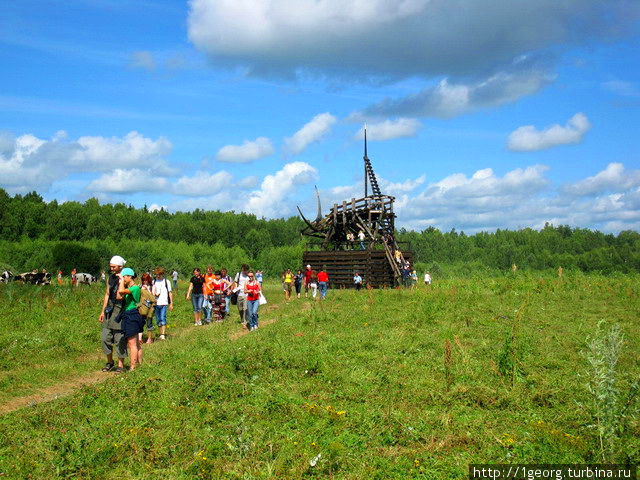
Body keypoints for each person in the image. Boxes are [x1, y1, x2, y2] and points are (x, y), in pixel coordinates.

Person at [98, 255, 127, 373]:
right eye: (110, 266)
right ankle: (110, 362)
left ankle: (120, 365)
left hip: (120, 311)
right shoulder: (110, 278)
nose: (111, 268)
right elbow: (107, 294)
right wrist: (102, 311)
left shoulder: (126, 278)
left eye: (113, 266)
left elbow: (121, 295)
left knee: (119, 339)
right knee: (105, 338)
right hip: (109, 311)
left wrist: (121, 280)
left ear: (120, 266)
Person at [117, 267, 145, 371]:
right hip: (130, 314)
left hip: (132, 315)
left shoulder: (134, 288)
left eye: (124, 277)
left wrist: (120, 281)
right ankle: (138, 364)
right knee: (136, 342)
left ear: (129, 276)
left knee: (132, 343)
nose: (123, 280)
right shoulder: (132, 287)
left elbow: (120, 292)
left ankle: (133, 367)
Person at [152, 267, 173, 340]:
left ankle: (163, 334)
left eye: (159, 274)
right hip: (156, 303)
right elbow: (151, 292)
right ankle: (160, 333)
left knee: (163, 317)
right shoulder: (153, 281)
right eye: (156, 274)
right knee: (158, 319)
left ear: (162, 274)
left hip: (164, 303)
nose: (158, 276)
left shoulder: (167, 282)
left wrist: (171, 303)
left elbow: (170, 293)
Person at [139, 273, 155, 344]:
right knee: (140, 323)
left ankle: (149, 338)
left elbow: (153, 298)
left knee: (149, 323)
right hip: (142, 307)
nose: (145, 281)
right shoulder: (140, 286)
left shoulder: (152, 286)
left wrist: (148, 289)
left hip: (150, 308)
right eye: (143, 280)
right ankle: (139, 339)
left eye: (146, 280)